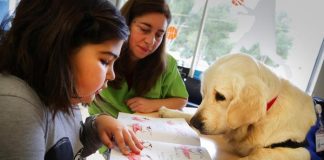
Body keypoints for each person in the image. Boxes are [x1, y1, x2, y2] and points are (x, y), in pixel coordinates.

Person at [0, 0, 143, 159]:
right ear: (57, 49)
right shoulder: (16, 106)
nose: (112, 75)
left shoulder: (65, 93)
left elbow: (70, 149)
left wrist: (97, 125)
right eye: (105, 61)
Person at [89, 0, 189, 118]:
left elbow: (182, 100)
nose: (150, 41)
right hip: (101, 125)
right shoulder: (102, 52)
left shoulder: (168, 63)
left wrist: (154, 104)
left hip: (146, 131)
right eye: (144, 29)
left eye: (158, 35)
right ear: (126, 24)